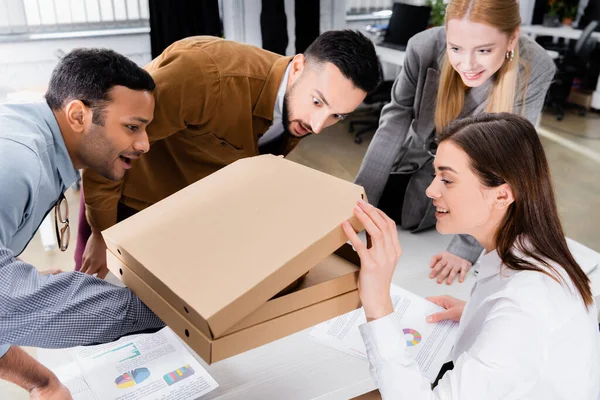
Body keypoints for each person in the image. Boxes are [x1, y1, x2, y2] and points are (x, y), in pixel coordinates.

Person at [77, 30, 382, 278]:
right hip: (122, 209)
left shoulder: (299, 106)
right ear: (299, 66)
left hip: (188, 214)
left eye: (336, 116)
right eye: (318, 102)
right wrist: (102, 233)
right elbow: (104, 147)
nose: (318, 126)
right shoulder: (205, 76)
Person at [343, 113, 600, 399]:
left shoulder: (523, 311)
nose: (430, 190)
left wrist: (378, 301)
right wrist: (479, 314)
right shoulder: (540, 251)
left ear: (502, 196)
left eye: (447, 180)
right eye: (434, 175)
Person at [0, 49, 165, 398]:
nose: (144, 144)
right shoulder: (16, 164)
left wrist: (39, 381)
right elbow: (5, 303)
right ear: (78, 115)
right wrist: (158, 312)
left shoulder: (31, 137)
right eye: (132, 127)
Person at [354, 0, 556, 285]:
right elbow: (394, 123)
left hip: (480, 186)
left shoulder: (535, 67)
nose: (468, 64)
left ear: (512, 37)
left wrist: (466, 248)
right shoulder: (423, 47)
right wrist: (359, 202)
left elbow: (507, 160)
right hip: (414, 170)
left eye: (484, 50)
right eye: (456, 48)